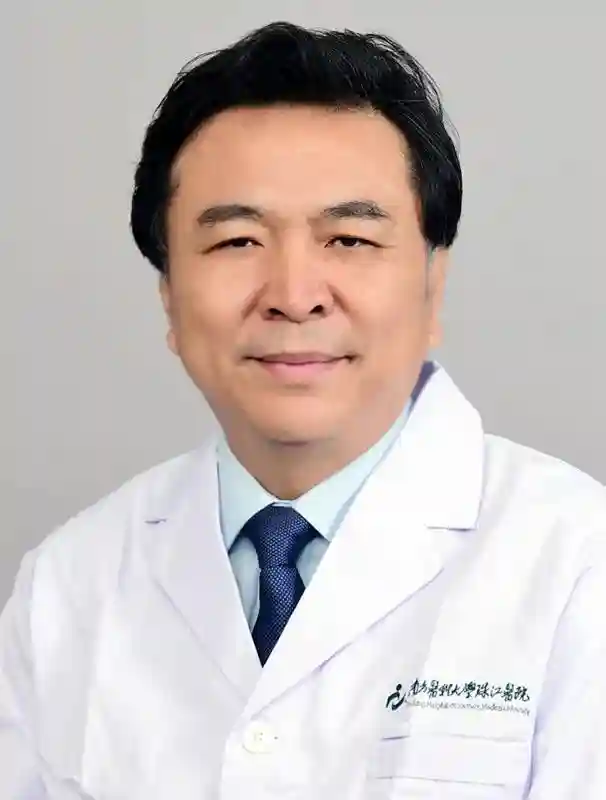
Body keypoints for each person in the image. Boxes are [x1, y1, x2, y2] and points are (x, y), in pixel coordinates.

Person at [1, 19, 605, 800]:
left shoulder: (577, 565)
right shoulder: (69, 584)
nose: (293, 295)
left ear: (433, 287)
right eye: (237, 242)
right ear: (169, 296)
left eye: (349, 239)